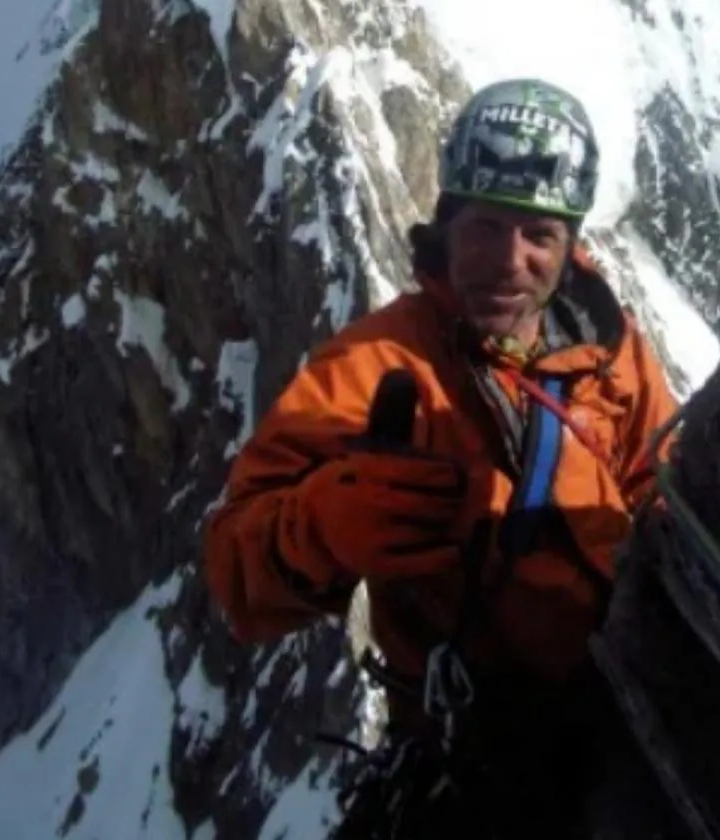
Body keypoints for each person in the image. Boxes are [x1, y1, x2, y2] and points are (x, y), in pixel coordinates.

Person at [203, 78, 681, 838]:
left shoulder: (607, 347)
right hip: (481, 756)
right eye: (485, 228)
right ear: (446, 223)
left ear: (569, 245)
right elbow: (237, 573)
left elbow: (661, 484)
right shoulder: (375, 366)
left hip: (630, 708)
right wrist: (323, 524)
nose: (508, 260)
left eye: (537, 237)